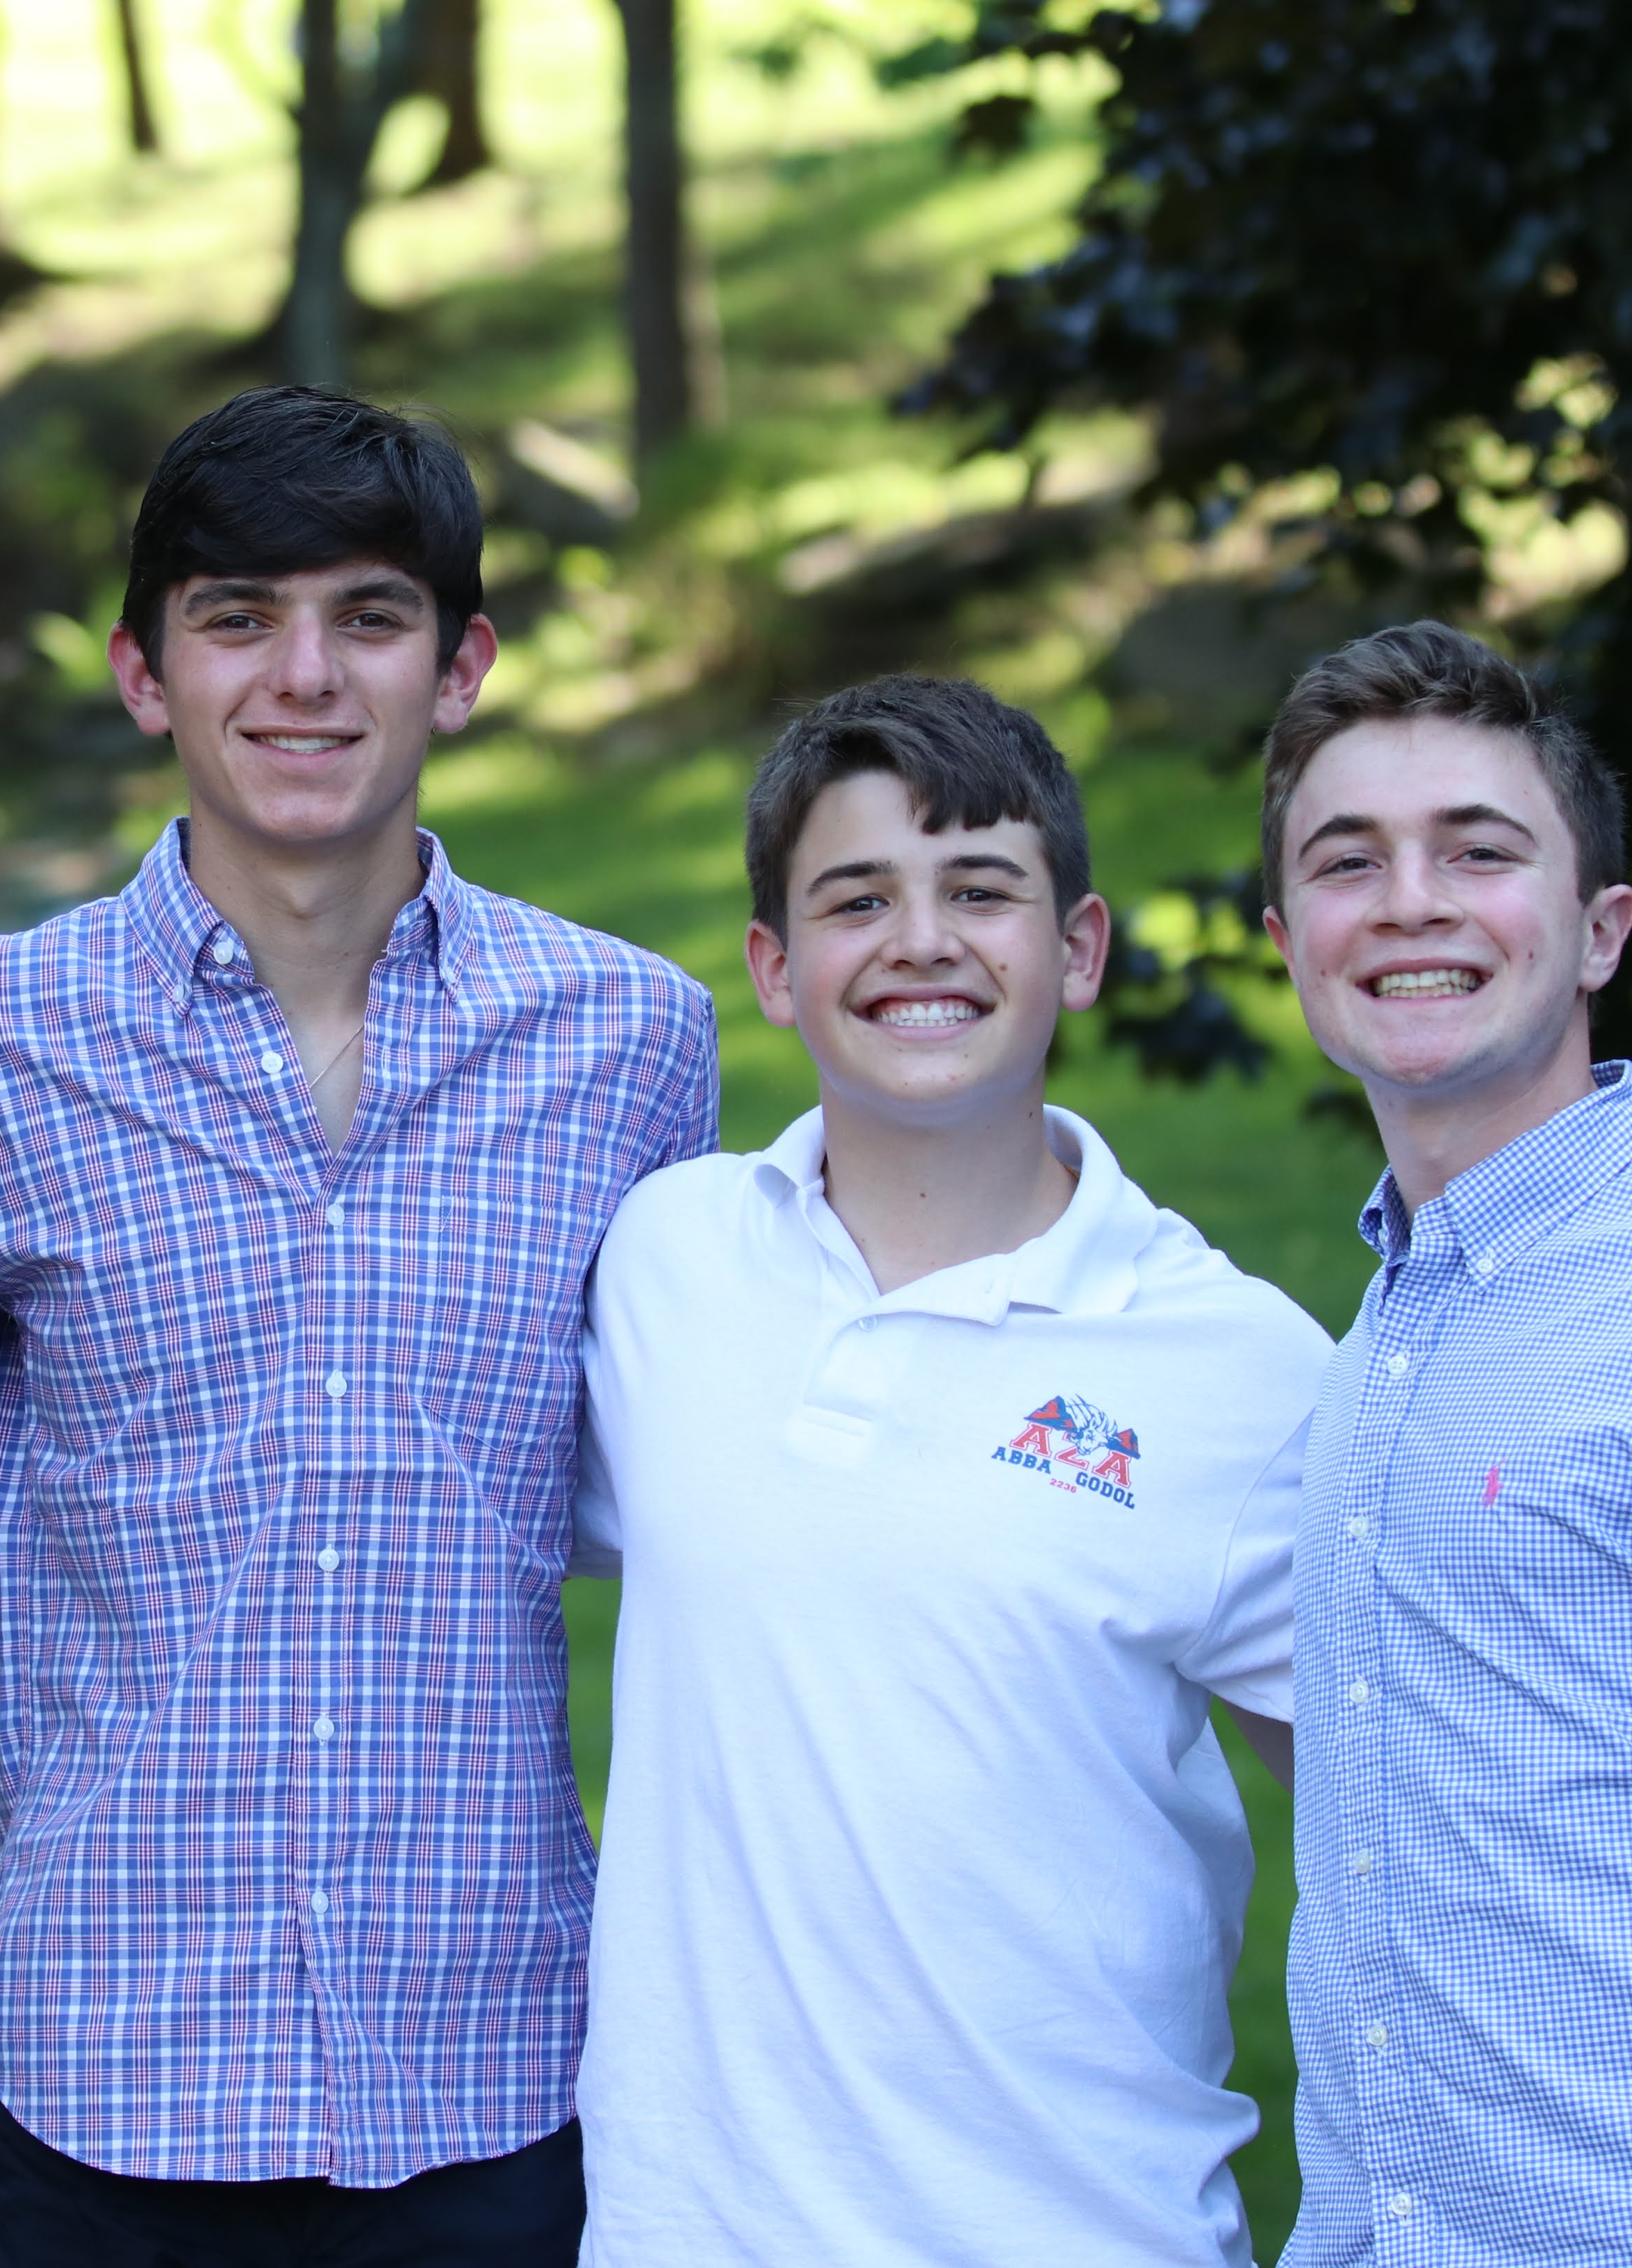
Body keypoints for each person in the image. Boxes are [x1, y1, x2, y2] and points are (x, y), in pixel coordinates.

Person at [0, 386, 723, 2266]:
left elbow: (687, 1493)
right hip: (94, 2089)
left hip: (497, 2082)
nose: (303, 675)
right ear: (144, 673)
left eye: (371, 617)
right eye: (237, 617)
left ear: (462, 667)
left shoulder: (632, 1048)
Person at [567, 674, 1329, 2267]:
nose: (920, 942)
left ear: (1081, 948)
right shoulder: (666, 1259)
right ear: (773, 969)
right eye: (856, 900)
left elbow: (1412, 1817)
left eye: (981, 890)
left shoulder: (1242, 1373)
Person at [1257, 622, 1632, 2268]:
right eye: (1347, 860)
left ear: (1598, 929)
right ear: (1287, 939)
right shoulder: (1373, 1346)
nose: (1409, 901)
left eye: (1478, 850)